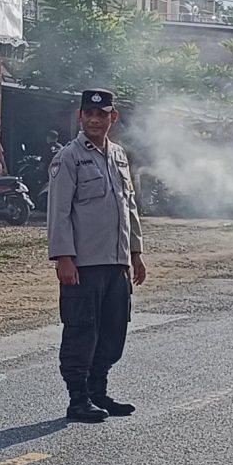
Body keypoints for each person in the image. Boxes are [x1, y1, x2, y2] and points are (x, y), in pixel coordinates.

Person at [47, 88, 146, 424]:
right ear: (80, 116)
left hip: (116, 261)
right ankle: (78, 400)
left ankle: (98, 392)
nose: (94, 119)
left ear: (112, 117)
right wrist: (63, 257)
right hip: (83, 264)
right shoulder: (69, 157)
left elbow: (128, 206)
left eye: (101, 114)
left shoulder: (118, 155)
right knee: (81, 330)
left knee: (113, 331)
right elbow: (58, 211)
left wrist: (136, 252)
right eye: (88, 113)